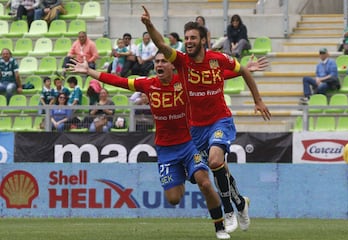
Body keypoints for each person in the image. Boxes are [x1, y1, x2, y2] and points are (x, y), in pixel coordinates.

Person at [68, 52, 231, 239]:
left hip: (189, 145)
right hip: (166, 149)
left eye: (163, 61)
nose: (159, 64)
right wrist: (89, 71)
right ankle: (185, 174)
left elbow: (218, 77)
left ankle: (220, 227)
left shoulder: (184, 81)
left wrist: (242, 71)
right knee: (174, 198)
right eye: (157, 61)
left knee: (204, 183)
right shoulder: (148, 84)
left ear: (172, 66)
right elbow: (117, 81)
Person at [140, 6, 271, 234]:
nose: (188, 41)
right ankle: (240, 201)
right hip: (196, 129)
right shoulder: (180, 61)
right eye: (187, 37)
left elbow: (243, 72)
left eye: (193, 38)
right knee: (219, 167)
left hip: (220, 120)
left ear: (203, 40)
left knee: (214, 160)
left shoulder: (218, 59)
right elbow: (161, 45)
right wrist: (149, 25)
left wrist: (258, 100)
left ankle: (229, 210)